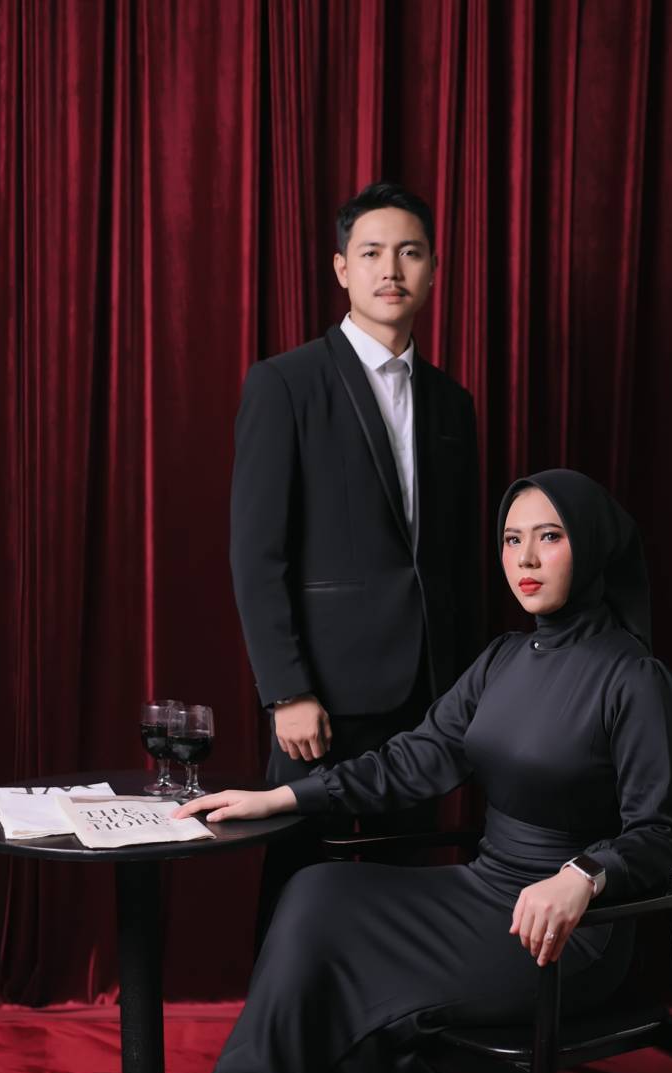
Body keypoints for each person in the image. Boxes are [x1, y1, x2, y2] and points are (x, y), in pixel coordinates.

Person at [91, 471, 672, 1073]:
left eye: (549, 537)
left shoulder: (636, 678)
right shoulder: (504, 659)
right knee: (318, 893)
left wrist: (584, 874)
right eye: (512, 540)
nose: (525, 559)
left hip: (565, 933)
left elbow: (662, 835)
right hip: (485, 889)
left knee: (365, 982)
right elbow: (418, 758)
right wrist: (285, 796)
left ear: (591, 546)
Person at [230, 181, 481, 943]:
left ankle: (399, 1018)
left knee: (410, 886)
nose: (390, 270)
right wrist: (286, 690)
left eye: (410, 253)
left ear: (433, 270)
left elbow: (459, 558)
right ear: (342, 269)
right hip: (323, 697)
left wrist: (466, 691)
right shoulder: (286, 383)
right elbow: (256, 552)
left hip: (429, 696)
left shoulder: (452, 403)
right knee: (303, 878)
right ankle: (289, 1018)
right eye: (371, 253)